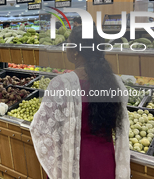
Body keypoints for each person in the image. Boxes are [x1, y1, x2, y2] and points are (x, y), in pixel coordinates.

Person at [30, 25, 130, 179]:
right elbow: (120, 125)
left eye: (68, 44)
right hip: (106, 161)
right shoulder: (115, 83)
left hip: (77, 163)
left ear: (76, 51)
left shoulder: (62, 84)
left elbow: (39, 128)